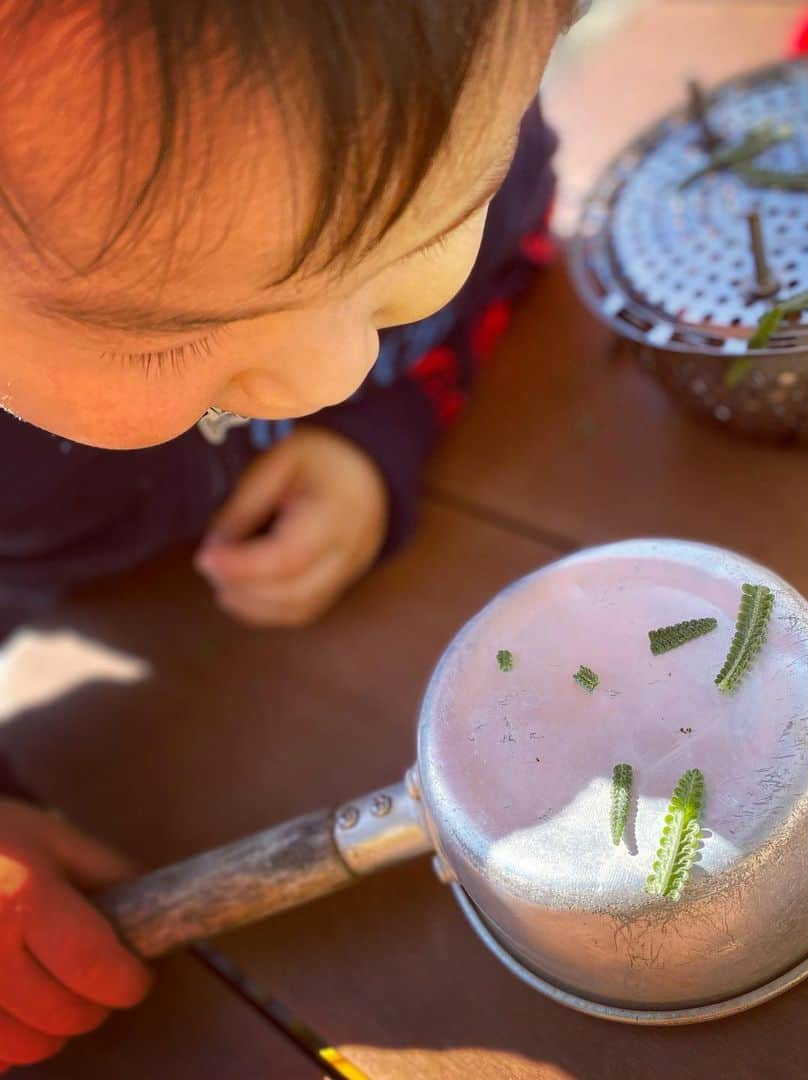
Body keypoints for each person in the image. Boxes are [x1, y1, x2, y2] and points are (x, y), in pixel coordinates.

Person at [0, 0, 576, 1068]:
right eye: (172, 337)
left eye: (418, 241)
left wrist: (382, 429)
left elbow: (518, 238)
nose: (331, 372)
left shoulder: (442, 94)